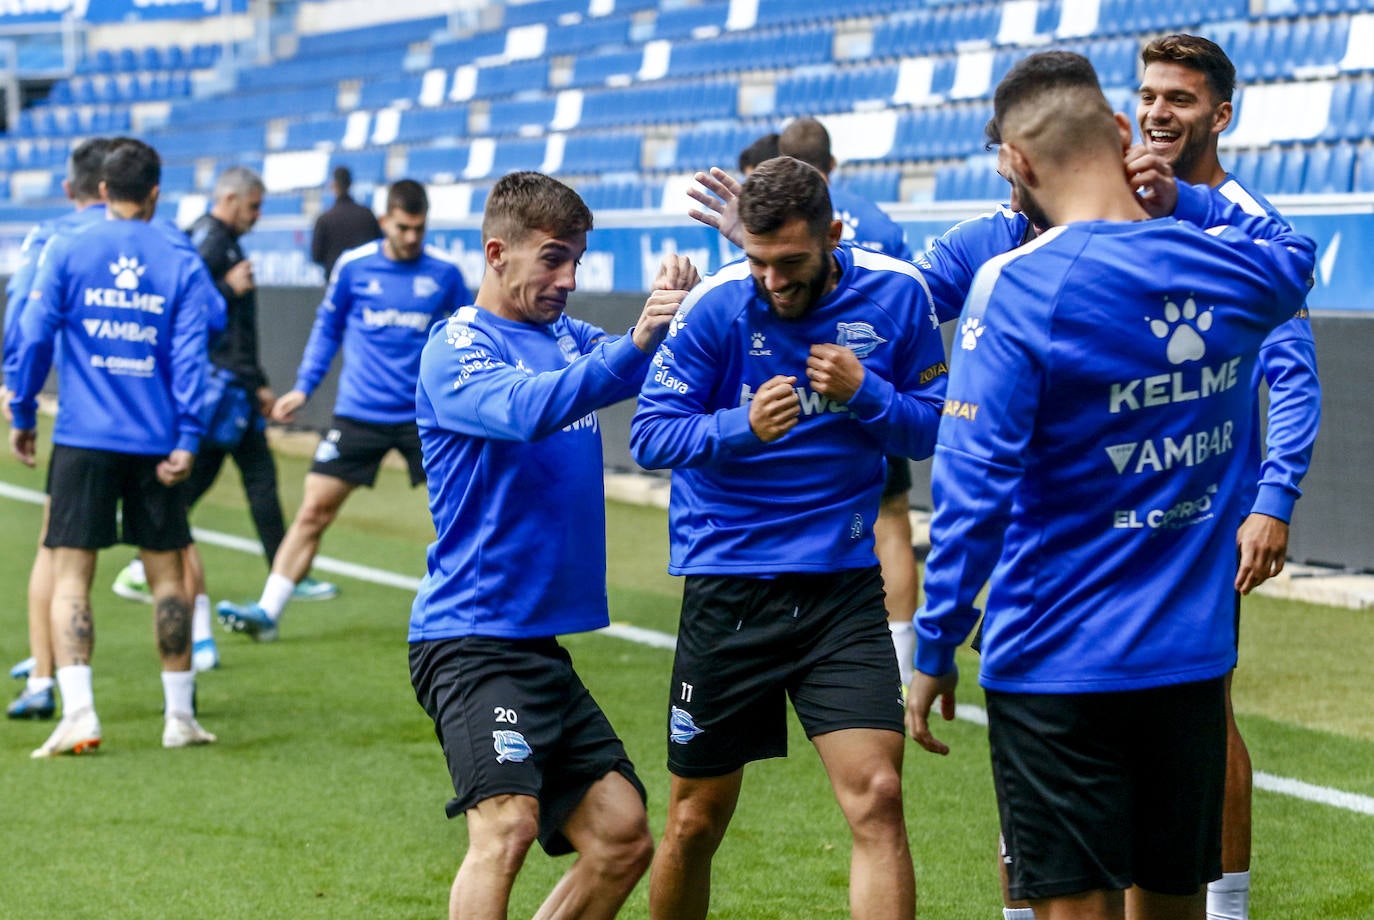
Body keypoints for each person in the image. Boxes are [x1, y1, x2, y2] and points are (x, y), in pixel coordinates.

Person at [906, 50, 1316, 920]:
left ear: (1015, 163)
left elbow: (974, 490)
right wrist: (1192, 201)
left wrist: (935, 643)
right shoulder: (1226, 266)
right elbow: (1294, 257)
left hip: (1058, 660)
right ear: (1125, 132)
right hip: (1191, 655)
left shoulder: (1015, 285)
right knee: (1170, 905)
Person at [631, 155, 948, 920]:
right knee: (694, 820)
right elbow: (649, 434)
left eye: (792, 263)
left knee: (878, 795)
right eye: (758, 261)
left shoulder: (898, 296)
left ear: (833, 235)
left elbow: (939, 424)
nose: (773, 280)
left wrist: (866, 393)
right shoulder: (715, 306)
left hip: (840, 588)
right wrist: (742, 428)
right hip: (729, 589)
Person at [408, 170, 692, 919]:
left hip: (533, 644)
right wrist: (636, 338)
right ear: (498, 252)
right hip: (471, 636)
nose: (569, 279)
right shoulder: (455, 349)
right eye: (553, 260)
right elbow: (530, 408)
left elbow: (653, 362)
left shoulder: (566, 336)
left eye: (577, 262)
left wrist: (688, 306)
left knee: (623, 837)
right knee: (505, 828)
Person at [1136, 34, 1322, 920]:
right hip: (1120, 499)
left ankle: (1226, 907)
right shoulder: (1122, 202)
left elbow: (1291, 374)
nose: (1157, 112)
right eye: (1148, 95)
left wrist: (1273, 501)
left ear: (1221, 114)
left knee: (1203, 707)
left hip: (1210, 511)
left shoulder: (1249, 223)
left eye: (1178, 98)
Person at [8, 138, 219, 756]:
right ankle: (178, 717)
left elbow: (33, 332)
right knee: (167, 574)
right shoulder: (177, 255)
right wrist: (187, 435)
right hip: (156, 441)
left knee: (72, 574)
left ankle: (81, 714)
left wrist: (22, 411)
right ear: (155, 193)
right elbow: (193, 351)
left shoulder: (69, 246)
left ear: (101, 192)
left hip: (84, 436)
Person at [216, 180, 469, 641]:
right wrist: (304, 389)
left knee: (462, 514)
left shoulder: (446, 275)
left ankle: (478, 615)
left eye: (420, 227)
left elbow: (466, 341)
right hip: (360, 414)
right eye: (404, 226)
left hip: (426, 419)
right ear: (385, 220)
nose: (412, 236)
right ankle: (268, 612)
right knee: (314, 510)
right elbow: (327, 329)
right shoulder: (354, 268)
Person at [110, 166, 335, 667]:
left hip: (233, 385)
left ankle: (285, 573)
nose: (257, 217)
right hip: (216, 389)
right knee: (208, 481)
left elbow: (233, 329)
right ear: (230, 199)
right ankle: (143, 559)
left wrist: (255, 380)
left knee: (255, 480)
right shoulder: (209, 241)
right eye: (253, 207)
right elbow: (186, 307)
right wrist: (229, 291)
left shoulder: (222, 240)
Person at [776, 116, 926, 691]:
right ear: (832, 162)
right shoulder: (881, 219)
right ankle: (901, 662)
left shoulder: (773, 217)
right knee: (892, 522)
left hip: (801, 394)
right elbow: (915, 295)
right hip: (875, 389)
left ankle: (797, 650)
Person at [3, 138, 116, 720]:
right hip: (160, 428)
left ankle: (46, 681)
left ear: (75, 189)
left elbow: (25, 315)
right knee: (171, 554)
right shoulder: (162, 236)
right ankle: (184, 694)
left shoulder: (53, 238)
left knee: (59, 550)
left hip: (87, 421)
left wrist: (18, 399)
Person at [311, 165, 382, 279]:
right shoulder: (367, 214)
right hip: (365, 279)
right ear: (350, 184)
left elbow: (316, 256)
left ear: (333, 185)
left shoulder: (324, 219)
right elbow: (379, 245)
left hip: (335, 280)